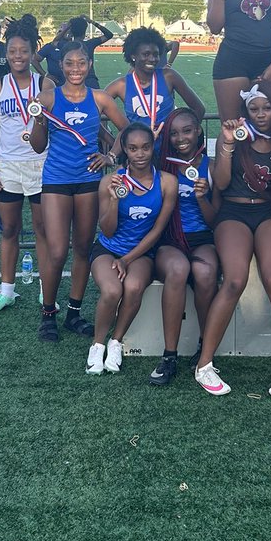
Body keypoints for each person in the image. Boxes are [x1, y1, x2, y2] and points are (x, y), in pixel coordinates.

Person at [193, 81, 271, 399]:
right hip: (233, 213)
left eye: (266, 108)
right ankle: (204, 364)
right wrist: (227, 145)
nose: (260, 115)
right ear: (245, 110)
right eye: (254, 109)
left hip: (269, 214)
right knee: (234, 280)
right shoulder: (236, 138)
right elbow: (224, 184)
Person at [27, 40, 129, 341]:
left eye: (81, 63)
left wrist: (110, 156)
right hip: (56, 180)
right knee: (57, 251)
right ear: (61, 66)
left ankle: (73, 313)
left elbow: (127, 130)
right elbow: (37, 146)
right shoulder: (46, 98)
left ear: (89, 65)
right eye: (70, 63)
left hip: (88, 181)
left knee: (83, 248)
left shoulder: (100, 99)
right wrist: (38, 121)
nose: (75, 68)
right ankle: (48, 313)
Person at [86, 123, 178, 375]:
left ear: (153, 148)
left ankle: (116, 342)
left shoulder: (167, 182)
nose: (140, 154)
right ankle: (97, 345)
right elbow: (106, 230)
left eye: (146, 147)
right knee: (112, 289)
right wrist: (115, 200)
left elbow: (157, 231)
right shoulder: (109, 181)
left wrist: (127, 259)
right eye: (133, 148)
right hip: (107, 249)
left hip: (140, 252)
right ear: (125, 150)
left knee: (134, 286)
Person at [0, 18, 53, 314]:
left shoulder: (45, 84)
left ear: (32, 53)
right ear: (7, 53)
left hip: (40, 164)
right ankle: (7, 290)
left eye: (23, 51)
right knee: (9, 229)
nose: (18, 57)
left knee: (42, 230)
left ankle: (45, 290)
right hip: (8, 166)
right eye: (12, 51)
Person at [150, 108, 220, 385]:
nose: (181, 138)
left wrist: (203, 197)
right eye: (174, 132)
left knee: (205, 273)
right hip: (169, 239)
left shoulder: (211, 166)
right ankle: (170, 355)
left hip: (202, 237)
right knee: (178, 270)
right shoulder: (160, 164)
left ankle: (206, 347)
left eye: (188, 130)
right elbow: (129, 157)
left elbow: (216, 219)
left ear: (199, 130)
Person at [103, 27, 205, 142]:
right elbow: (92, 112)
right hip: (138, 154)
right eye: (146, 54)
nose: (152, 59)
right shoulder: (121, 85)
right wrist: (113, 142)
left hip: (169, 151)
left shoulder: (169, 77)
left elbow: (198, 108)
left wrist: (185, 137)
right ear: (133, 56)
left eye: (156, 54)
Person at [36, 16, 113, 87]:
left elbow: (55, 41)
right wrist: (92, 22)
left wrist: (68, 27)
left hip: (73, 82)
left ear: (71, 31)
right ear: (85, 31)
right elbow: (109, 34)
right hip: (90, 82)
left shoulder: (66, 45)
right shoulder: (90, 44)